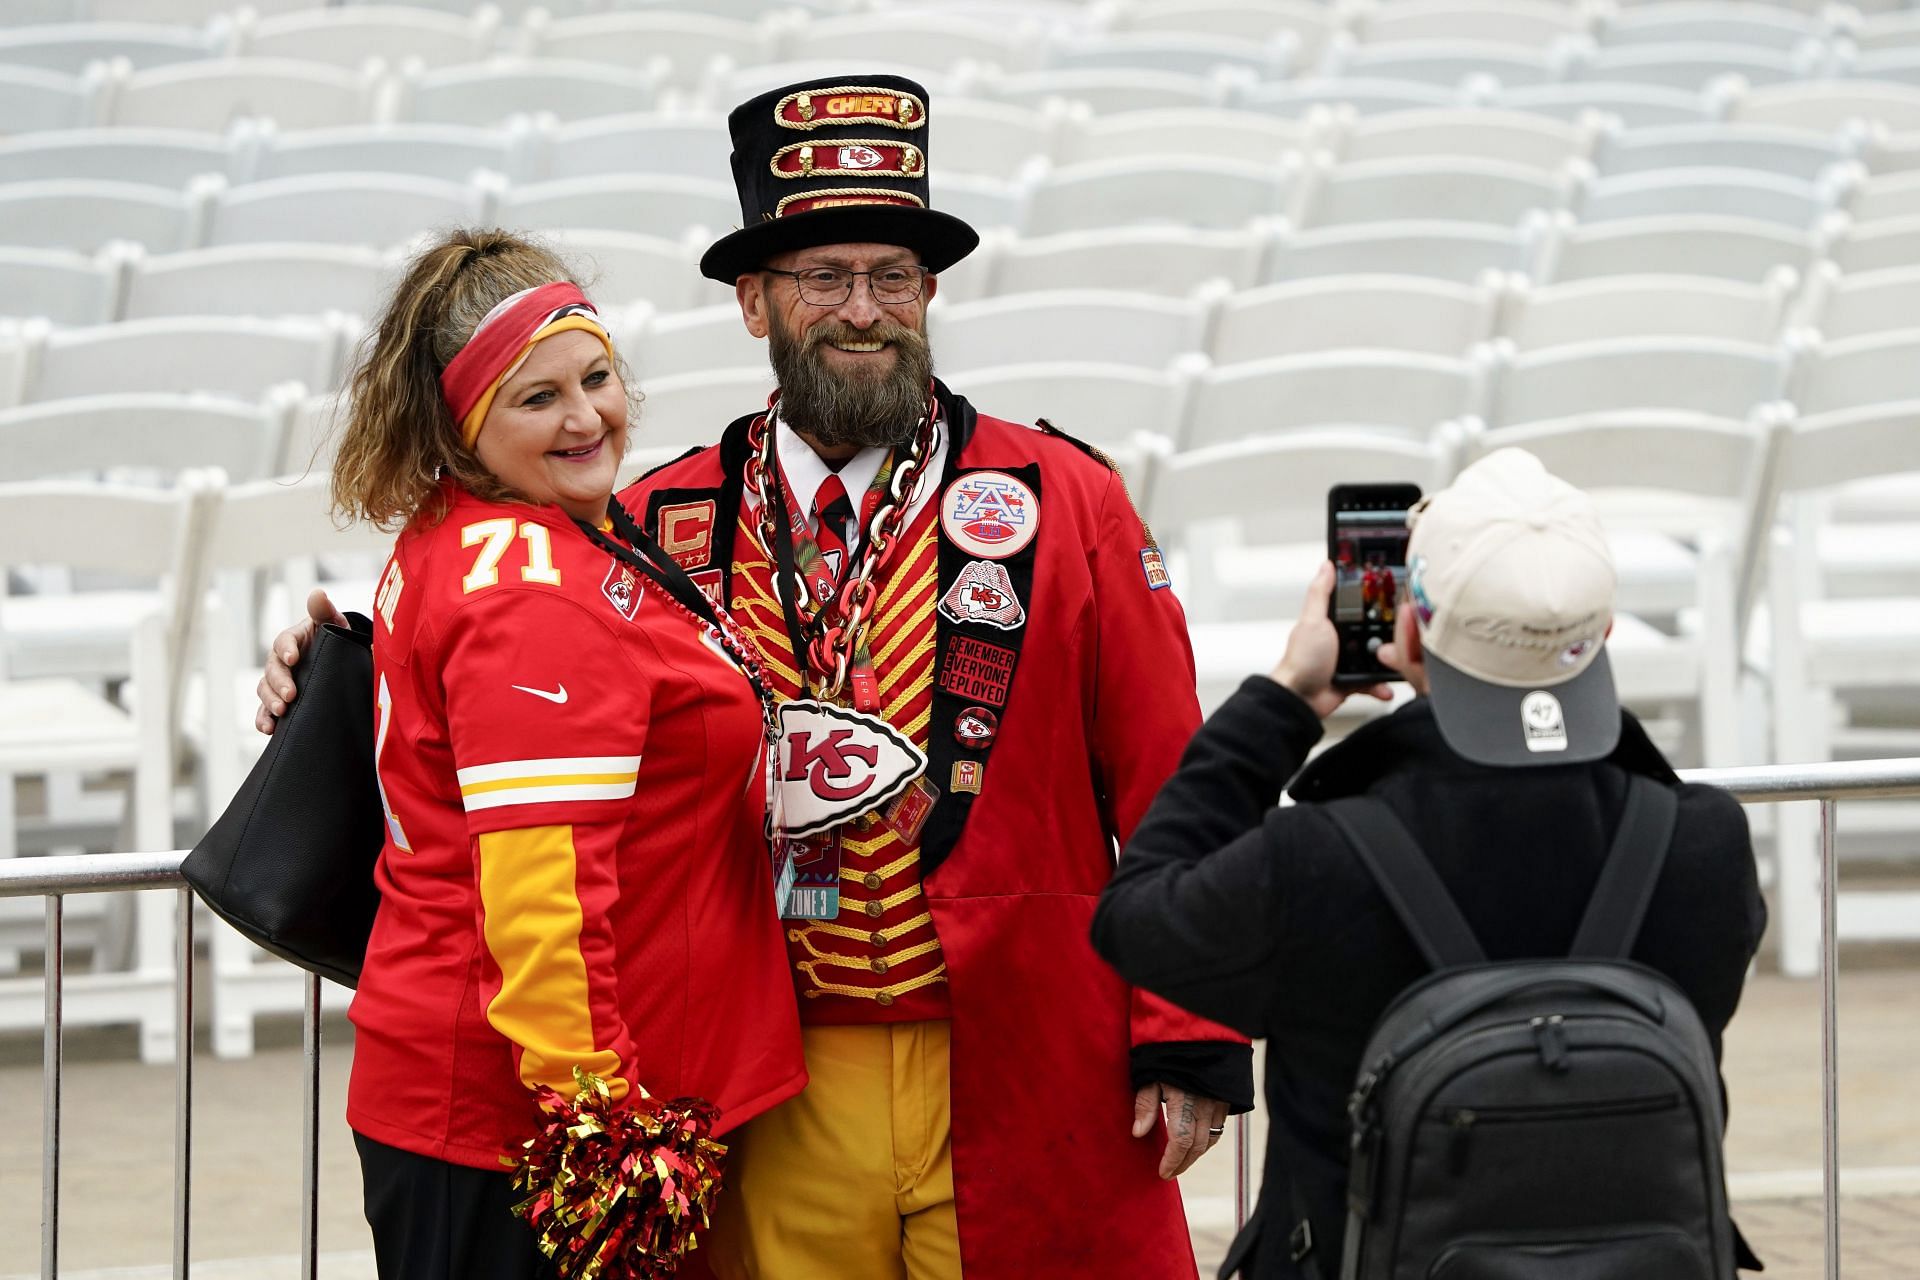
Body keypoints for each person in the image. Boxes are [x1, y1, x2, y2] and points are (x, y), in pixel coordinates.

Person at [263, 75, 1252, 1280]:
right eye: (823, 278)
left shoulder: (1064, 498)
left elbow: (1170, 770)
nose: (863, 310)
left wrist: (1189, 1025)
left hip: (1021, 1053)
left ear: (931, 293)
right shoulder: (646, 515)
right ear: (753, 301)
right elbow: (476, 660)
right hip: (766, 1078)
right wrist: (327, 676)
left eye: (893, 275)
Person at [1090, 448, 1767, 1279]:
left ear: (1410, 628)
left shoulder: (1319, 859)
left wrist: (1285, 701)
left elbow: (1137, 918)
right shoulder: (1703, 843)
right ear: (1605, 636)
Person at [327, 228, 804, 1279]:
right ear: (462, 419)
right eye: (537, 398)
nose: (586, 416)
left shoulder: (491, 525)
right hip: (518, 1129)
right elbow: (542, 904)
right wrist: (605, 1131)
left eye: (596, 377)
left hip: (481, 1105)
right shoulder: (533, 594)